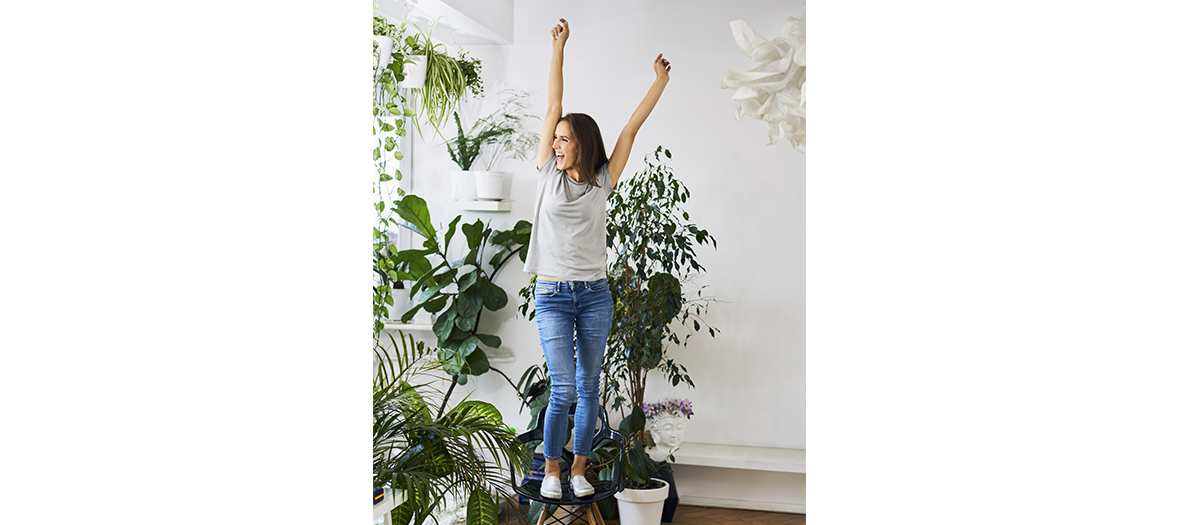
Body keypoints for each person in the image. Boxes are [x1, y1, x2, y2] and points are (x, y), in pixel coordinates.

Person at [524, 17, 672, 500]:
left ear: (582, 144)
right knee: (564, 389)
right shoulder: (547, 173)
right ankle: (552, 470)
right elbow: (553, 103)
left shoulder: (603, 180)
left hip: (594, 295)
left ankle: (580, 471)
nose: (556, 143)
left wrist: (660, 83)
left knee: (590, 387)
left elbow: (631, 127)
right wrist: (559, 47)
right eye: (556, 138)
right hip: (551, 294)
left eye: (565, 139)